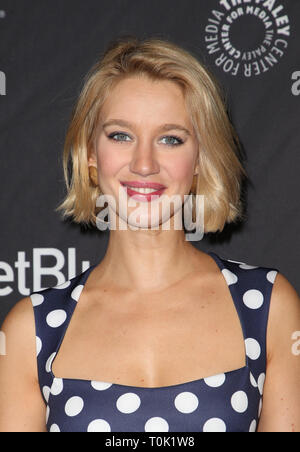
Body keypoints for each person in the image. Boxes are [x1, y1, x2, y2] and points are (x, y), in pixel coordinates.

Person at [0, 36, 299, 433]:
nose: (144, 164)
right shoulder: (30, 332)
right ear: (90, 155)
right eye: (120, 135)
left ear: (200, 160)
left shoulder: (267, 308)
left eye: (170, 139)